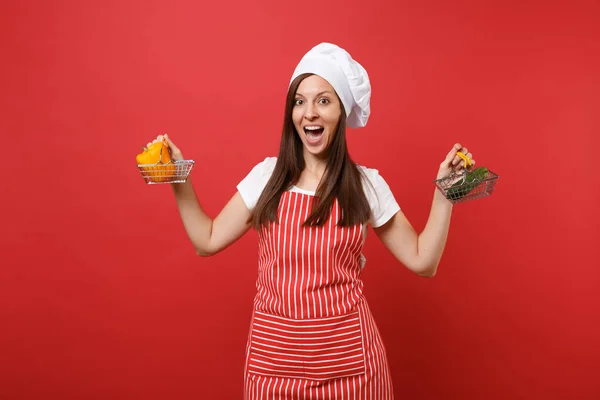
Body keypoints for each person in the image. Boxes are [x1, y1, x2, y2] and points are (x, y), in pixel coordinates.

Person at [146, 42, 475, 399]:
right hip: (273, 368)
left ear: (342, 112)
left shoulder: (366, 185)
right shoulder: (267, 176)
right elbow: (205, 240)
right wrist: (178, 177)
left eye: (323, 100)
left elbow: (423, 261)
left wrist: (447, 193)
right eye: (300, 101)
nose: (309, 113)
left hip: (350, 369)